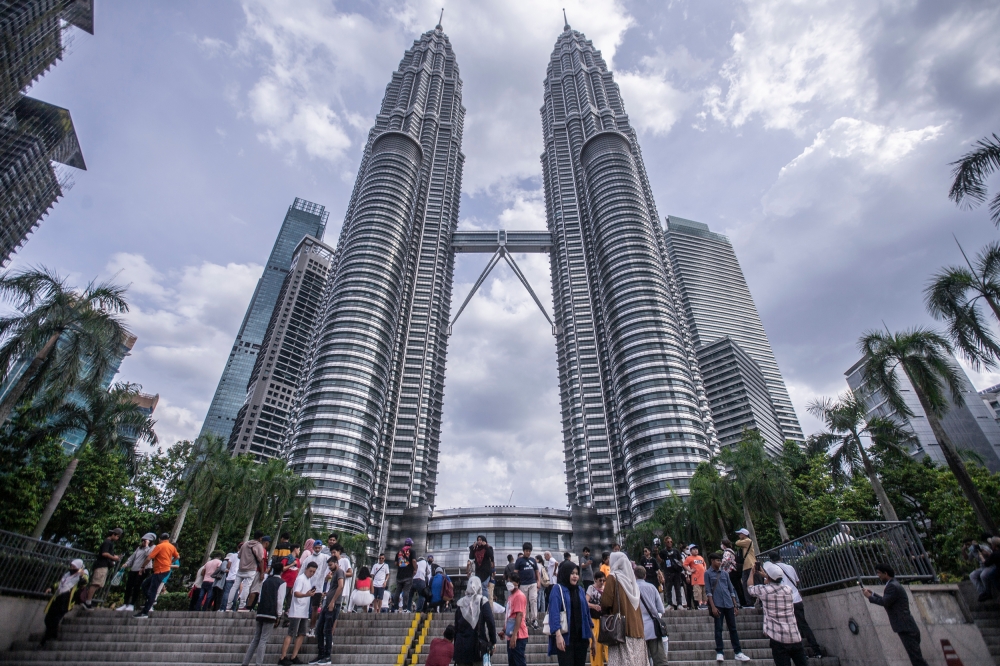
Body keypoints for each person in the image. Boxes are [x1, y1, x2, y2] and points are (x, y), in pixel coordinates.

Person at [864, 563, 929, 666]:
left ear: (886, 573)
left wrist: (870, 597)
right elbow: (887, 600)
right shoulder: (893, 584)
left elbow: (885, 602)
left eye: (879, 573)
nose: (878, 575)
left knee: (917, 660)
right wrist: (872, 594)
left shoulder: (892, 586)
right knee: (916, 658)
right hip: (907, 626)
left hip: (906, 628)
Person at [749, 562, 807, 666]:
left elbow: (750, 588)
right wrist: (767, 576)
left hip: (778, 637)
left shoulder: (764, 591)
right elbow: (776, 581)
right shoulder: (787, 590)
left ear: (770, 577)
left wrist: (751, 573)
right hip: (794, 635)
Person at [769, 552, 823, 656]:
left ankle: (801, 653)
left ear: (771, 560)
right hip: (796, 599)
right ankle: (816, 650)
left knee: (791, 628)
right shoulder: (790, 567)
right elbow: (797, 581)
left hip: (784, 602)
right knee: (803, 624)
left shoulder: (772, 570)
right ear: (781, 557)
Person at [600, 552, 646, 666]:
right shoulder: (632, 582)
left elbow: (606, 602)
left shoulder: (613, 577)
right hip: (638, 631)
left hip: (621, 630)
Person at [704, 552, 751, 662]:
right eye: (717, 560)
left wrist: (735, 604)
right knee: (718, 628)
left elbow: (731, 589)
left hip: (728, 603)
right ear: (712, 561)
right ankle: (719, 651)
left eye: (720, 560)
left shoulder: (725, 573)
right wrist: (713, 606)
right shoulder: (708, 573)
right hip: (717, 604)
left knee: (733, 628)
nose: (719, 562)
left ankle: (738, 651)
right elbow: (708, 591)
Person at [548, 561, 594, 666]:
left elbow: (587, 614)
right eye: (572, 573)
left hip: (581, 639)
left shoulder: (580, 590)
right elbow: (554, 614)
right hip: (565, 638)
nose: (575, 576)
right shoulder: (557, 589)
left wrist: (593, 640)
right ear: (565, 573)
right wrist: (558, 635)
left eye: (577, 574)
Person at [242, 561, 287, 666]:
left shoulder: (266, 581)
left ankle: (245, 662)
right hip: (271, 613)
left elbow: (260, 596)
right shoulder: (282, 583)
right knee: (263, 639)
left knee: (256, 638)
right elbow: (280, 600)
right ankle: (259, 663)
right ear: (281, 571)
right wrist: (279, 615)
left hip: (261, 611)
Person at [42, 558, 87, 645]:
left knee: (55, 619)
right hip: (57, 599)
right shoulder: (67, 575)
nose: (71, 568)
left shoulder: (82, 575)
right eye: (71, 566)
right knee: (48, 619)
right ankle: (52, 635)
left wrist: (81, 576)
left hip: (66, 601)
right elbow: (60, 584)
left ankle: (45, 639)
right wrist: (51, 588)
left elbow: (83, 583)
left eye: (73, 566)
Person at [280, 561, 318, 666]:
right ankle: (283, 656)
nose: (312, 573)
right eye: (310, 571)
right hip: (296, 610)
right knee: (291, 633)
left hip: (304, 611)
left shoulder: (309, 580)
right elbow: (296, 593)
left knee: (301, 633)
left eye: (314, 572)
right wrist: (306, 595)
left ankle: (294, 656)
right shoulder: (300, 579)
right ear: (306, 569)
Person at [453, 576, 496, 666]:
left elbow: (456, 627)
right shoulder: (482, 601)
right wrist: (493, 641)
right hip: (477, 646)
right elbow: (490, 622)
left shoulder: (460, 603)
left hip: (461, 647)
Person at [135, 533, 179, 618]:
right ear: (168, 539)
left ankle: (145, 612)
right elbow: (177, 556)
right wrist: (170, 562)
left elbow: (149, 558)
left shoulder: (159, 546)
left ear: (159, 539)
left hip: (160, 570)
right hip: (163, 570)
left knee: (152, 590)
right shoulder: (171, 547)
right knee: (145, 585)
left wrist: (142, 566)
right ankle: (151, 600)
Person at [312, 557, 344, 665]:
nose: (329, 567)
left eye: (331, 565)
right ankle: (321, 654)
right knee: (319, 629)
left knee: (327, 630)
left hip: (333, 605)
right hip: (327, 603)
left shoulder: (339, 572)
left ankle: (327, 656)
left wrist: (333, 601)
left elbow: (341, 586)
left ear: (336, 563)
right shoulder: (334, 573)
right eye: (329, 565)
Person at [80, 527, 122, 608]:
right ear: (113, 534)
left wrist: (115, 557)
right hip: (101, 565)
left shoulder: (109, 543)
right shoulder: (107, 542)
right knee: (95, 584)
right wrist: (114, 558)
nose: (117, 538)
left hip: (105, 565)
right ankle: (87, 601)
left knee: (98, 584)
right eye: (117, 537)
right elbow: (104, 553)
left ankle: (87, 599)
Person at [634, 567, 667, 666]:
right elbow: (661, 609)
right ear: (645, 575)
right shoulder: (652, 587)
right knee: (659, 659)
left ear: (634, 575)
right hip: (653, 628)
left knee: (641, 660)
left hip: (637, 628)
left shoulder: (631, 588)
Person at [116, 532, 154, 612]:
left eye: (145, 541)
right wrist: (127, 563)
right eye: (143, 541)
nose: (143, 542)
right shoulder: (139, 548)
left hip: (143, 569)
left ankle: (132, 604)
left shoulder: (152, 547)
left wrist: (147, 546)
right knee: (129, 586)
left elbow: (149, 555)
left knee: (136, 587)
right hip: (134, 569)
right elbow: (133, 557)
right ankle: (125, 603)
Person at [230, 533, 267, 611]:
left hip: (241, 569)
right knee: (246, 587)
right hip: (251, 569)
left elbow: (239, 556)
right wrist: (262, 572)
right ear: (260, 538)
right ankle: (241, 606)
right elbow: (261, 559)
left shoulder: (245, 544)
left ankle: (228, 605)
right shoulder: (259, 546)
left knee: (234, 587)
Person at [501, 570, 529, 666]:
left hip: (518, 636)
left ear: (517, 583)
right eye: (508, 581)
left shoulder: (519, 596)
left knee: (519, 662)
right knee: (512, 662)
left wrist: (514, 635)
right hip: (511, 635)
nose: (509, 583)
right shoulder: (511, 596)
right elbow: (509, 616)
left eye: (511, 581)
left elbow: (519, 615)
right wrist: (504, 630)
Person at [300, 540, 328, 631]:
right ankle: (302, 627)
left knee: (315, 607)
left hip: (318, 587)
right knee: (304, 606)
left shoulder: (325, 557)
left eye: (319, 548)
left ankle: (312, 627)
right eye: (316, 548)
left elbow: (333, 562)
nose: (317, 549)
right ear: (313, 548)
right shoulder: (308, 559)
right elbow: (302, 570)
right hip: (307, 586)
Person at [515, 542, 541, 629]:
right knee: (524, 602)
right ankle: (525, 619)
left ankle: (534, 619)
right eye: (526, 551)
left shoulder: (533, 560)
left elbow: (537, 571)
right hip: (523, 584)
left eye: (529, 551)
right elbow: (515, 573)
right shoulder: (519, 560)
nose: (528, 552)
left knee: (533, 600)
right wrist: (516, 584)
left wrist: (538, 581)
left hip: (533, 583)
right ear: (523, 551)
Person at [586, 571, 607, 666]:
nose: (602, 582)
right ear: (595, 579)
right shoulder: (591, 588)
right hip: (594, 619)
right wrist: (594, 606)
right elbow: (586, 602)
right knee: (595, 644)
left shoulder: (606, 589)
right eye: (600, 580)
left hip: (604, 619)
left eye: (603, 580)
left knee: (606, 645)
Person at [392, 538, 418, 612]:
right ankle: (405, 609)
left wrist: (401, 565)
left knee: (397, 591)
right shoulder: (412, 551)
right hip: (408, 574)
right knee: (406, 591)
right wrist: (415, 569)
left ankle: (396, 608)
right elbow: (413, 561)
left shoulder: (399, 552)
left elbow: (395, 563)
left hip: (399, 575)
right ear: (411, 544)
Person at [659, 537, 684, 610]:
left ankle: (679, 603)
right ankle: (669, 604)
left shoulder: (676, 551)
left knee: (678, 588)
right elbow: (660, 560)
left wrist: (681, 568)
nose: (669, 543)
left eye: (671, 542)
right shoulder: (663, 551)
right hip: (668, 572)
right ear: (665, 543)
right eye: (668, 542)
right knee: (668, 588)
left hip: (676, 572)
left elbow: (680, 560)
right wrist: (657, 553)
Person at [720, 539, 747, 608]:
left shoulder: (727, 552)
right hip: (735, 570)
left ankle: (738, 602)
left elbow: (726, 561)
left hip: (730, 570)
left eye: (721, 544)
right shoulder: (731, 551)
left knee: (734, 587)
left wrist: (720, 567)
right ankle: (743, 601)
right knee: (738, 586)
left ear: (724, 545)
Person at [468, 535, 496, 602]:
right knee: (478, 587)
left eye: (481, 540)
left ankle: (485, 602)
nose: (479, 541)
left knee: (484, 587)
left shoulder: (488, 548)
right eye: (478, 540)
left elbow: (491, 555)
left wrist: (486, 546)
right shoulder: (476, 549)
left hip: (486, 571)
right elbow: (471, 557)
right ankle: (480, 602)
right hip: (478, 572)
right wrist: (473, 548)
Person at [734, 529, 756, 607]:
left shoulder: (747, 541)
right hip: (746, 566)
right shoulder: (746, 542)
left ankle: (752, 601)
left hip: (750, 565)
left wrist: (740, 539)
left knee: (750, 583)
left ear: (744, 534)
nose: (739, 536)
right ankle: (749, 602)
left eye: (740, 534)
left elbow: (737, 543)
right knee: (745, 584)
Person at [684, 545, 706, 609]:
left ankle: (705, 603)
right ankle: (700, 604)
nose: (696, 550)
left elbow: (704, 565)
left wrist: (705, 570)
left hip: (703, 577)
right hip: (696, 578)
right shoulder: (689, 558)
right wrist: (690, 570)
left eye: (696, 549)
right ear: (690, 551)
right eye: (694, 549)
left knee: (704, 591)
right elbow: (684, 565)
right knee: (697, 591)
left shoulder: (700, 557)